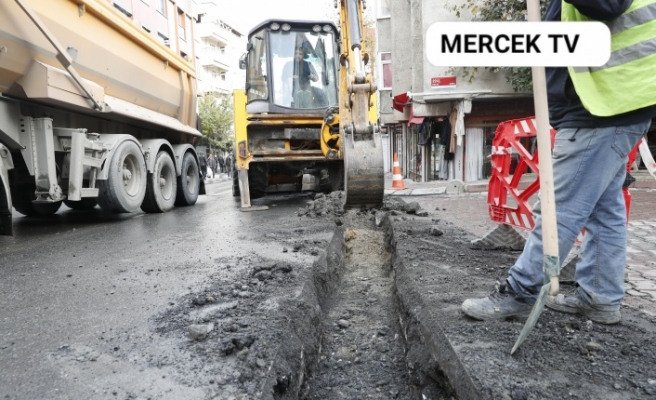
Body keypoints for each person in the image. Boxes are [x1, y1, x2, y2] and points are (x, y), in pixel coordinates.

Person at [461, 0, 656, 325]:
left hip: (603, 105)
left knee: (559, 207)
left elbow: (609, 4)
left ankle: (520, 291)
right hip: (618, 100)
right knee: (603, 210)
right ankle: (600, 298)